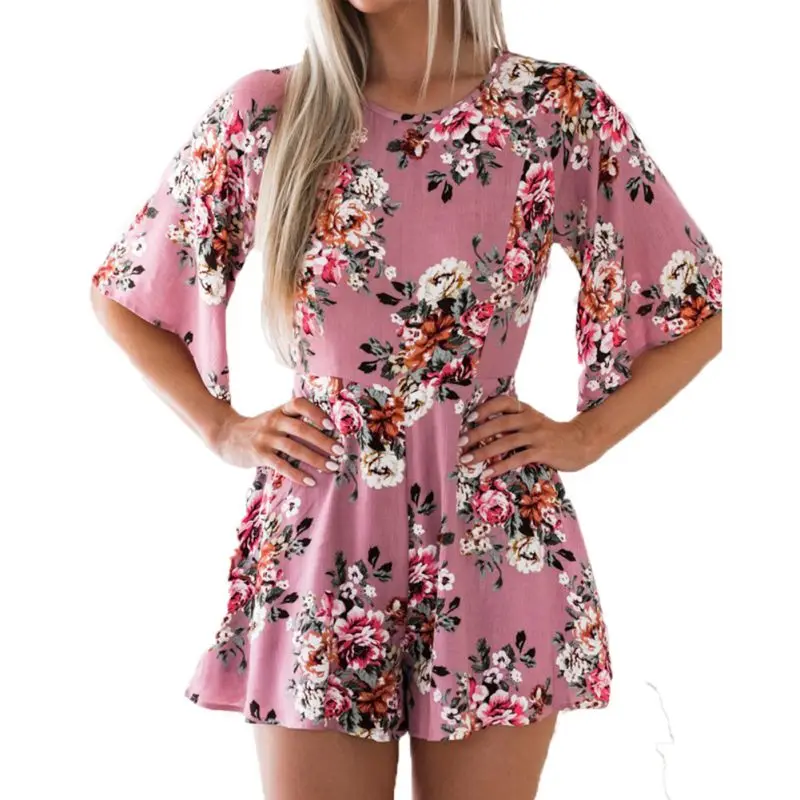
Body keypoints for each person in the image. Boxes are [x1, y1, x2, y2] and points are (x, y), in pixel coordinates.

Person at [89, 1, 723, 798]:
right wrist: (221, 428)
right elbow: (128, 292)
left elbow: (696, 306)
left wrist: (586, 437)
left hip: (493, 531)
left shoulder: (552, 110)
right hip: (322, 541)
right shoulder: (272, 111)